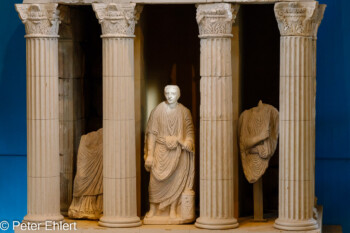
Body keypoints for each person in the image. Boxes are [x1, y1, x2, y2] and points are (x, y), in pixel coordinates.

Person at [144, 85, 195, 221]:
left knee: (176, 181)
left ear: (178, 95)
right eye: (167, 93)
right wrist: (150, 154)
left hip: (178, 154)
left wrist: (186, 143)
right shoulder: (158, 110)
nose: (170, 96)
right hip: (160, 151)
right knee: (154, 182)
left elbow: (190, 134)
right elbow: (152, 133)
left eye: (173, 93)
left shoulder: (185, 112)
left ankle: (173, 209)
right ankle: (153, 208)